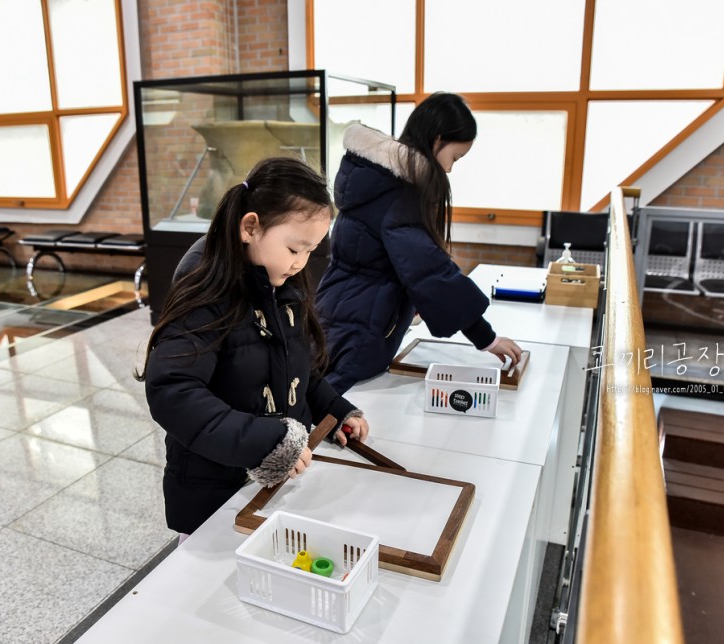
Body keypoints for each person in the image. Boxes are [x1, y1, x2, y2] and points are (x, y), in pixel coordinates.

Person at [137, 156, 370, 536]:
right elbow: (173, 391)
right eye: (295, 249)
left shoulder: (280, 283)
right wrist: (267, 443)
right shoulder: (206, 288)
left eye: (311, 251)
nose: (301, 263)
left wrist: (335, 411)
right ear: (250, 227)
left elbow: (299, 368)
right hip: (212, 490)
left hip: (268, 486)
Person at [316, 92, 522, 394]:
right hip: (361, 328)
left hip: (338, 311)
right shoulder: (400, 192)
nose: (450, 169)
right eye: (455, 157)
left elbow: (393, 261)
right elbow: (430, 271)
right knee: (329, 413)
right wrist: (486, 337)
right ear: (437, 140)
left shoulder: (375, 179)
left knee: (320, 399)